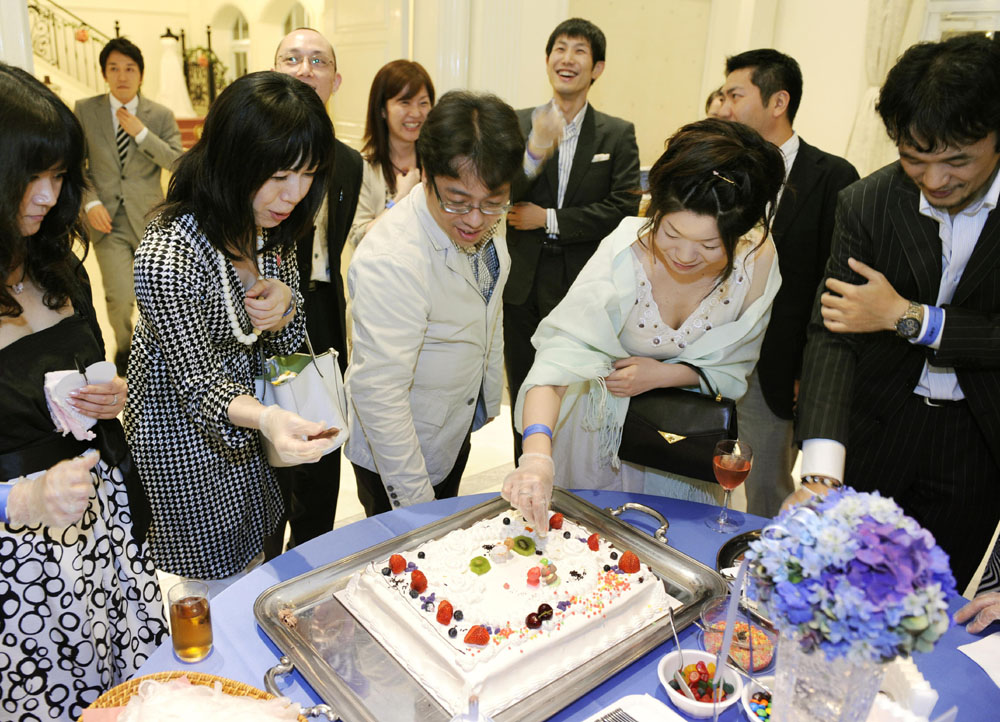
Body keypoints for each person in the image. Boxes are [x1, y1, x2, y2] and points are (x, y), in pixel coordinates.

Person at [502, 118, 784, 530]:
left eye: (708, 245)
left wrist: (665, 374)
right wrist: (537, 456)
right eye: (671, 232)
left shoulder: (757, 260)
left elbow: (735, 365)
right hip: (598, 442)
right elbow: (557, 363)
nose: (685, 255)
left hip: (682, 448)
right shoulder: (624, 252)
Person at [793, 35, 1000, 591]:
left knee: (931, 604)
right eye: (915, 160)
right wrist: (820, 471)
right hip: (879, 429)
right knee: (837, 591)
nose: (935, 182)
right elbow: (833, 333)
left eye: (958, 160)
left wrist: (910, 316)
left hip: (975, 442)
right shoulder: (867, 202)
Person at [124, 71, 336, 588]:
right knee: (210, 591)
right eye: (281, 175)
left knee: (255, 563)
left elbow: (284, 352)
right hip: (186, 450)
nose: (294, 194)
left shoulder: (269, 234)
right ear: (235, 159)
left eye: (308, 176)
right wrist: (266, 419)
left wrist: (286, 306)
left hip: (254, 442)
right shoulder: (169, 254)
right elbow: (199, 385)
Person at [0, 62, 166, 720]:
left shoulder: (54, 259)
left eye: (59, 177)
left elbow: (87, 372)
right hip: (19, 567)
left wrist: (108, 397)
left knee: (130, 694)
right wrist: (29, 496)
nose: (46, 196)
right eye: (29, 177)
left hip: (102, 528)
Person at [345, 90, 523, 516]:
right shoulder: (392, 258)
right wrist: (418, 512)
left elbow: (487, 305)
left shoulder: (480, 221)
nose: (476, 220)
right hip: (399, 452)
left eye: (493, 202)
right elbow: (379, 393)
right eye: (457, 200)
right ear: (423, 172)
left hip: (450, 426)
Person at [715, 49, 858, 517]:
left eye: (736, 95)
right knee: (703, 471)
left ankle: (761, 572)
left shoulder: (833, 177)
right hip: (715, 353)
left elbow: (830, 282)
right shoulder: (726, 169)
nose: (726, 106)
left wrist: (808, 371)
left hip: (776, 365)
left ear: (778, 102)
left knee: (767, 485)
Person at [503, 18, 641, 460]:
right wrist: (533, 153)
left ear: (597, 68)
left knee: (579, 391)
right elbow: (502, 194)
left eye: (579, 51)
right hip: (522, 281)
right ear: (547, 61)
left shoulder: (617, 133)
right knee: (528, 384)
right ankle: (526, 469)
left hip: (586, 283)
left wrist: (550, 219)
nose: (567, 58)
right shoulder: (517, 123)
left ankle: (575, 483)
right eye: (559, 49)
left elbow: (623, 207)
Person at [265, 27, 364, 556]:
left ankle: (311, 558)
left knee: (322, 445)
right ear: (273, 72)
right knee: (270, 449)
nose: (305, 69)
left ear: (335, 79)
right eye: (292, 59)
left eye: (318, 60)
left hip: (323, 310)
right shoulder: (249, 153)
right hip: (261, 320)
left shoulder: (349, 161)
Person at [75, 37, 183, 375]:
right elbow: (76, 164)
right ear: (104, 73)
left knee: (157, 294)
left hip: (150, 219)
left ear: (141, 74)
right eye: (114, 68)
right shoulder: (84, 110)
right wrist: (89, 200)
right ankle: (124, 348)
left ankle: (158, 353)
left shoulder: (160, 115)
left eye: (129, 68)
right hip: (107, 222)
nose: (122, 75)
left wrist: (141, 135)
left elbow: (178, 161)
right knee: (119, 297)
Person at [347, 59, 435, 247]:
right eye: (405, 102)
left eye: (423, 103)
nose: (416, 113)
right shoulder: (362, 167)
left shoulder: (438, 161)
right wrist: (401, 197)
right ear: (382, 110)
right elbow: (358, 239)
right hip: (381, 273)